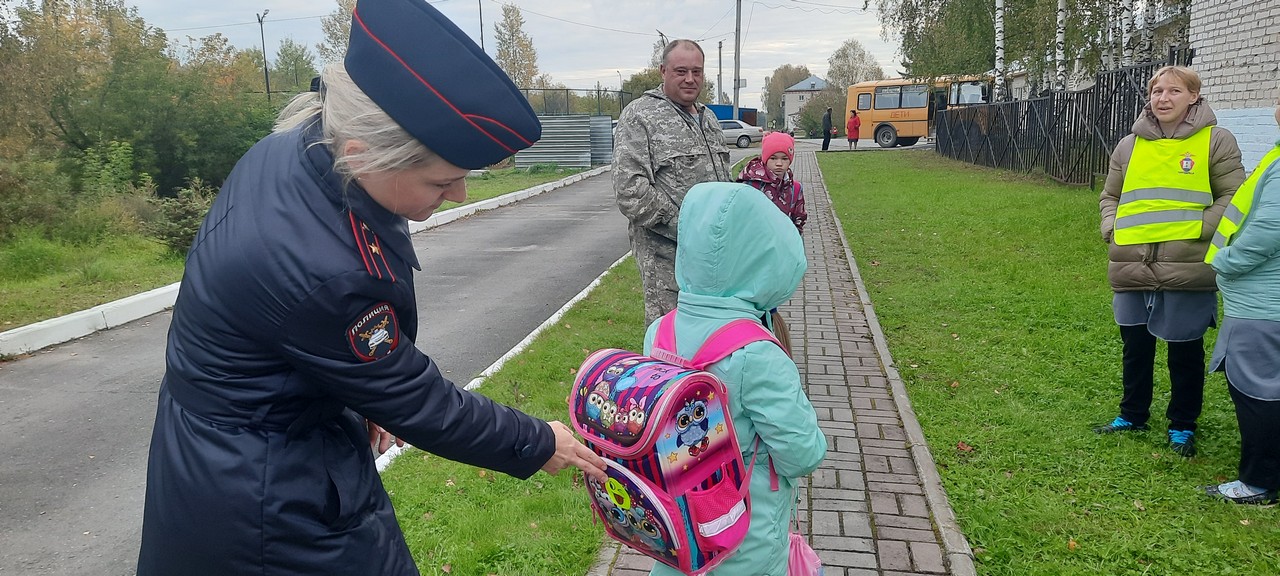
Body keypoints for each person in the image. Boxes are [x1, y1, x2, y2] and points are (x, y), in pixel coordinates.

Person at [135, 1, 607, 574]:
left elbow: (328, 345)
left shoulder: (305, 145)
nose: (458, 196)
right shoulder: (324, 271)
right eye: (442, 180)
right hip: (265, 504)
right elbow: (419, 402)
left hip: (240, 452)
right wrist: (536, 441)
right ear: (365, 153)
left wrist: (353, 381)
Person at [644, 182, 827, 576]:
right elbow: (802, 454)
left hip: (676, 536)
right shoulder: (756, 354)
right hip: (743, 544)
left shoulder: (660, 332)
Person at [1095, 65, 1245, 457]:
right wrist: (1111, 227)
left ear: (1194, 96)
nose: (1163, 98)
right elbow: (1110, 195)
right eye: (1157, 91)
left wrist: (1195, 228)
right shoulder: (1129, 145)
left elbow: (1234, 197)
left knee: (1185, 349)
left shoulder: (1216, 141)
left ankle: (1182, 424)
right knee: (1135, 345)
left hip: (1187, 264)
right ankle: (1132, 414)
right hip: (1131, 262)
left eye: (1174, 91)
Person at [613, 39, 732, 325]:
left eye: (697, 71)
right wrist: (689, 228)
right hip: (668, 260)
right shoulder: (640, 115)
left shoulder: (709, 118)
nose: (690, 79)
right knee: (671, 345)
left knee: (711, 338)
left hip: (713, 255)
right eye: (681, 71)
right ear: (663, 71)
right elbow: (631, 190)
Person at [1202, 96, 1280, 505]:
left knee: (1258, 391)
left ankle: (1259, 482)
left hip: (1263, 304)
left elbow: (1269, 229)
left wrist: (1225, 262)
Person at [738, 131, 806, 233]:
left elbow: (799, 219)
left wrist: (791, 240)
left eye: (784, 158)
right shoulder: (750, 185)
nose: (779, 163)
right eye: (773, 158)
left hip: (783, 244)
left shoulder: (795, 188)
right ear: (765, 159)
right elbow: (741, 218)